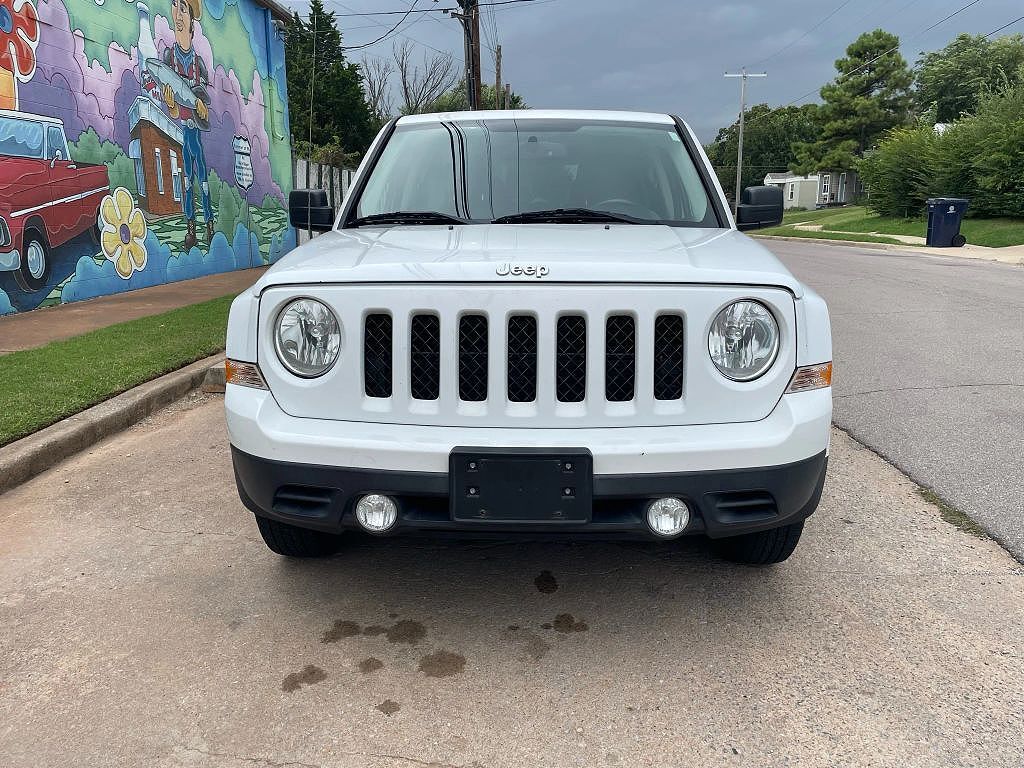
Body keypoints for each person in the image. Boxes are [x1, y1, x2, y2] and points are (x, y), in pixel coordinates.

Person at [144, 0, 213, 249]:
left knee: (203, 180)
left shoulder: (199, 64)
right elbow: (168, 104)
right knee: (187, 180)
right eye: (174, 5)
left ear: (192, 22)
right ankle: (191, 229)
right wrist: (172, 107)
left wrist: (202, 108)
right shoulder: (167, 58)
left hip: (195, 133)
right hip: (184, 131)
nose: (177, 12)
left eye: (183, 7)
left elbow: (205, 107)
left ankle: (210, 226)